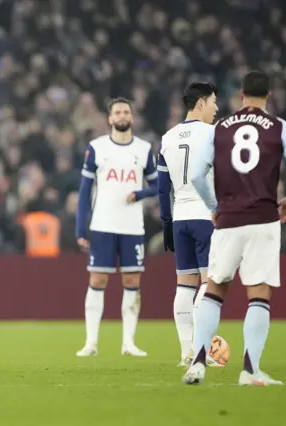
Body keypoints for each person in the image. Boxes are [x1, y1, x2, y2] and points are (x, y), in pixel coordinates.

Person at [183, 71, 286, 386]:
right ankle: (250, 371)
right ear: (268, 96)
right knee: (258, 293)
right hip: (264, 219)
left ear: (240, 95)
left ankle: (198, 364)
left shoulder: (220, 129)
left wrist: (214, 208)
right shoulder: (280, 128)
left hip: (228, 219)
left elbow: (198, 176)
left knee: (214, 288)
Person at [75, 98, 158, 357]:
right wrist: (80, 228)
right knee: (97, 279)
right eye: (117, 112)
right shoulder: (97, 148)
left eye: (126, 112)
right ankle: (91, 343)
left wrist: (141, 193)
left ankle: (129, 343)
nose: (122, 116)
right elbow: (84, 191)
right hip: (103, 224)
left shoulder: (144, 149)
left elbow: (159, 186)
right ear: (110, 119)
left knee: (132, 280)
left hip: (132, 226)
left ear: (132, 118)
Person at [158, 82, 220, 366]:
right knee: (209, 284)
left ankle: (186, 350)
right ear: (200, 104)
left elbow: (162, 188)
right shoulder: (213, 134)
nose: (216, 108)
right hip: (206, 216)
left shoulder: (167, 137)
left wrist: (166, 222)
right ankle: (199, 348)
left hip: (180, 216)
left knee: (184, 286)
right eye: (213, 102)